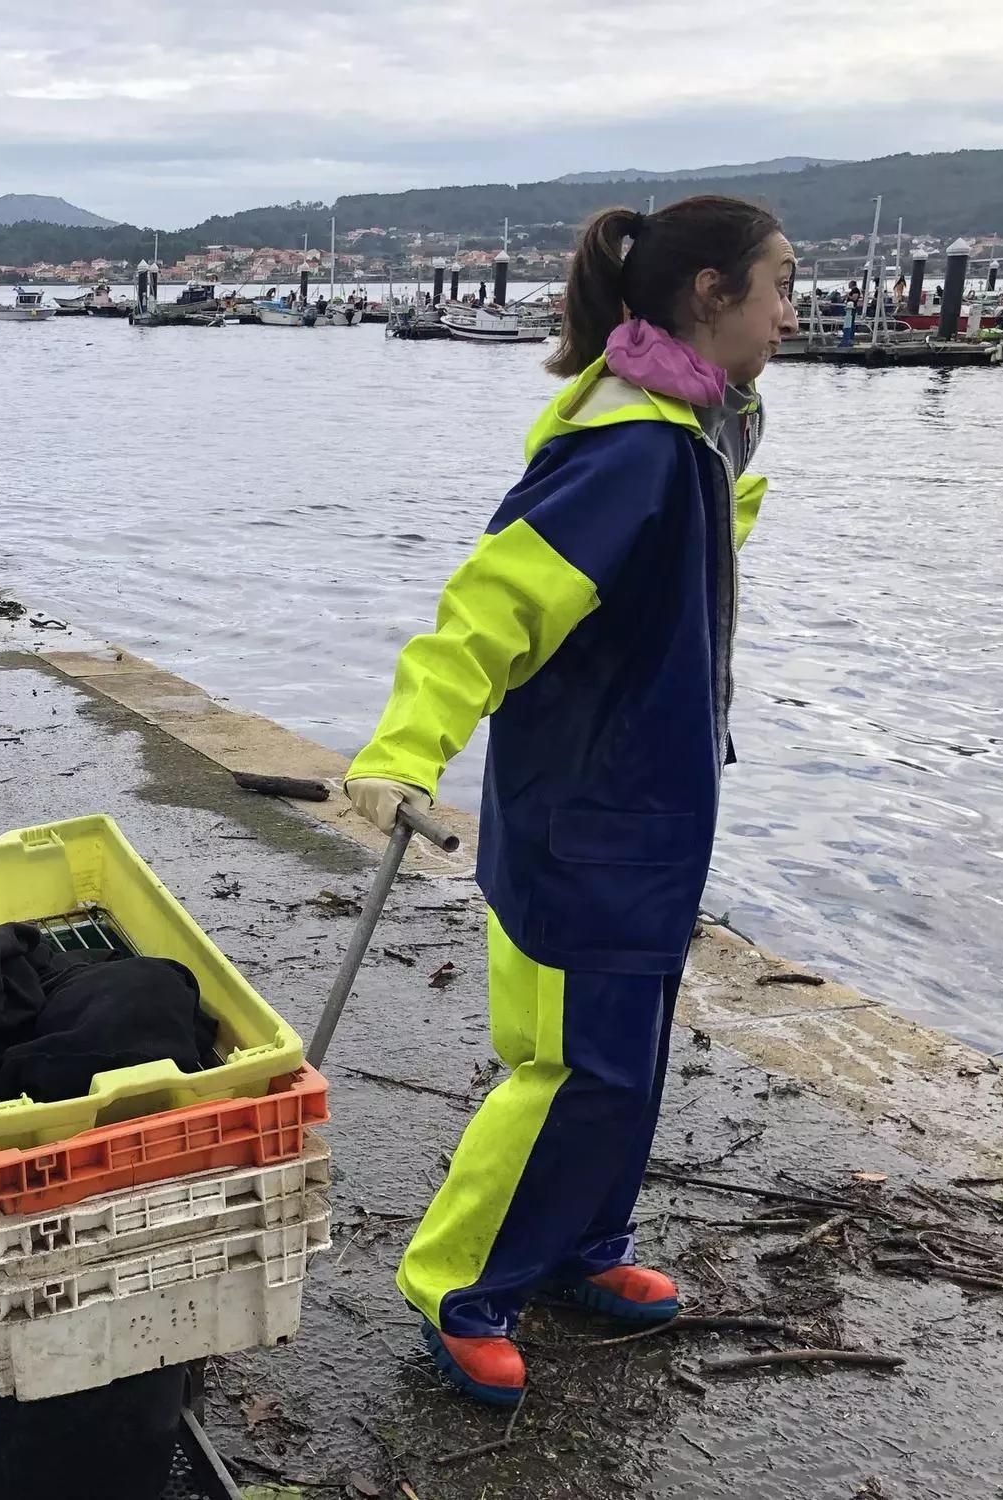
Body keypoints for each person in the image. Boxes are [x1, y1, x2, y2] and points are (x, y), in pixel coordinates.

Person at [341, 196, 797, 1408]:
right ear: (707, 292)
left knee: (627, 1053)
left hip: (646, 804)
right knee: (569, 1066)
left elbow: (693, 572)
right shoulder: (629, 449)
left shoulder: (683, 429)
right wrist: (402, 752)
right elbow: (491, 606)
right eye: (776, 288)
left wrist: (726, 432)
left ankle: (580, 1247)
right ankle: (458, 1284)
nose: (789, 314)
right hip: (585, 815)